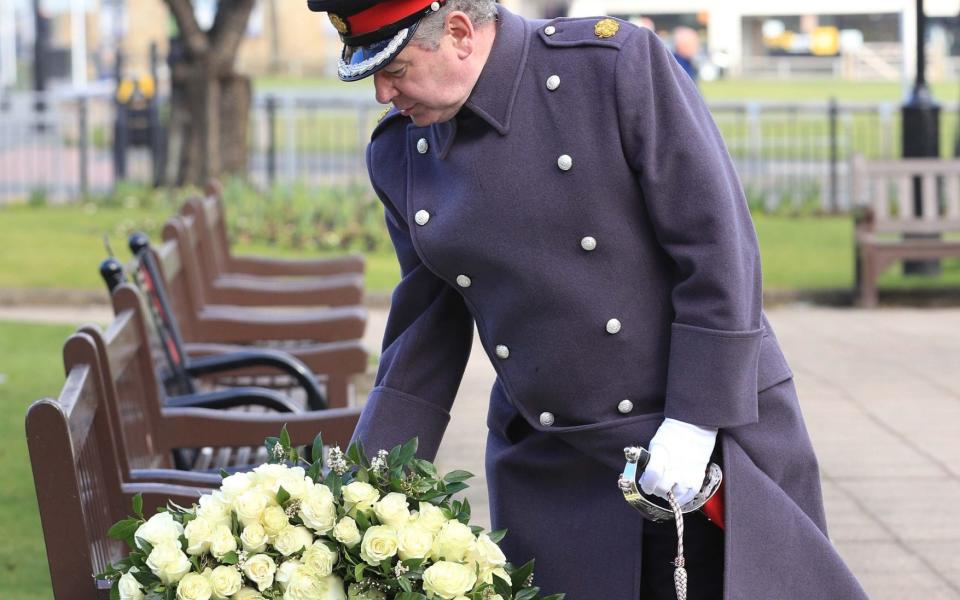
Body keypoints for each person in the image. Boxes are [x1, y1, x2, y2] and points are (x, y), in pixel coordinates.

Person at [305, 0, 868, 598]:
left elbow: (717, 246)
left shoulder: (610, 67)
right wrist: (356, 495)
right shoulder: (400, 154)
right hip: (551, 461)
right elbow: (424, 335)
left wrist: (698, 418)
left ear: (461, 34)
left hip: (693, 440)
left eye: (395, 69)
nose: (383, 95)